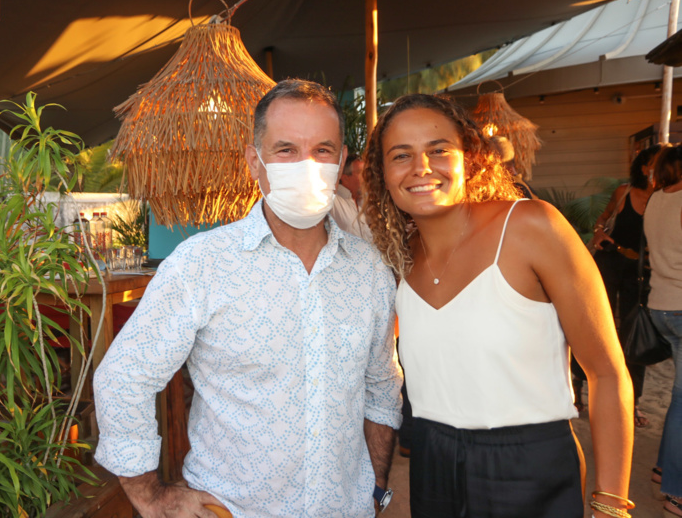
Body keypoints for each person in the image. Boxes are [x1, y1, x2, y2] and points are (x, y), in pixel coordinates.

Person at [93, 79, 403, 518]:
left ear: (341, 161)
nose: (307, 166)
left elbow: (381, 389)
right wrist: (151, 495)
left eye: (322, 150)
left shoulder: (368, 270)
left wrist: (374, 490)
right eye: (286, 150)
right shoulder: (203, 264)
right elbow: (123, 377)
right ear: (253, 162)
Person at [362, 93, 634, 518]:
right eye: (401, 155)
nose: (421, 167)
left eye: (438, 150)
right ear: (382, 174)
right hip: (432, 467)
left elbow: (606, 371)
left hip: (531, 466)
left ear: (468, 157)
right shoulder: (398, 258)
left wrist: (612, 504)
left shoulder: (530, 226)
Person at [588, 144, 662, 426]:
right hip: (610, 261)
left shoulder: (667, 198)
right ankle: (583, 390)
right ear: (644, 167)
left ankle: (633, 402)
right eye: (657, 162)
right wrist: (597, 235)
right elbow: (603, 219)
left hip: (641, 271)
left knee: (635, 334)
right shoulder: (624, 192)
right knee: (599, 326)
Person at [643, 144, 682, 517]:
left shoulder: (655, 199)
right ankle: (676, 492)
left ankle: (662, 469)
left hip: (660, 304)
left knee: (680, 396)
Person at [331, 152, 373, 240]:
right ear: (345, 178)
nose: (366, 177)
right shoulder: (333, 202)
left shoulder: (362, 203)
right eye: (361, 173)